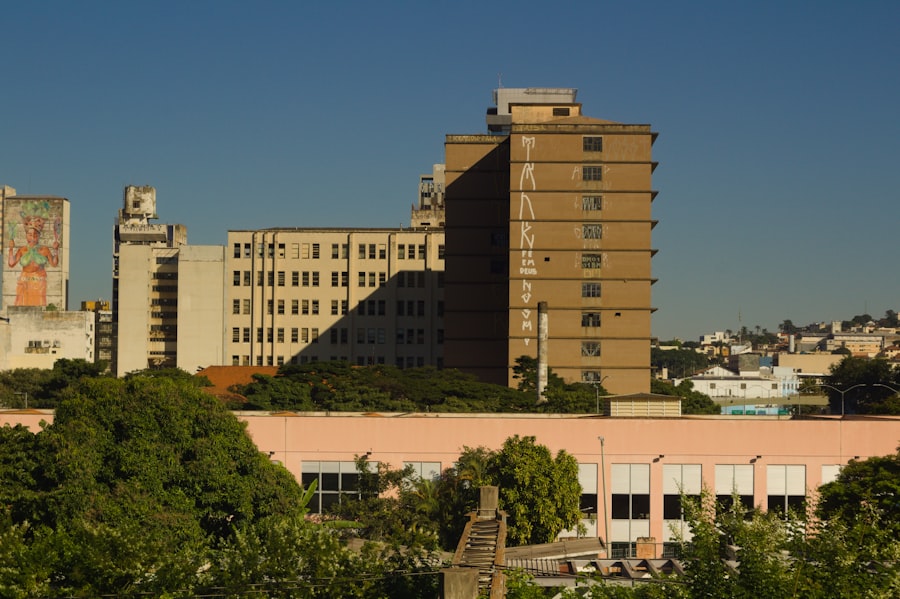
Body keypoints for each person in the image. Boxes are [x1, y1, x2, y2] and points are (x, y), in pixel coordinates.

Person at [7, 213, 60, 306]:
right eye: (30, 234)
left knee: (38, 305)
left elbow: (54, 263)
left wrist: (56, 250)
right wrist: (11, 249)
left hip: (39, 282)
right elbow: (11, 263)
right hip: (24, 281)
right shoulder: (22, 250)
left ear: (39, 236)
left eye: (35, 234)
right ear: (26, 236)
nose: (32, 237)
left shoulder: (44, 250)